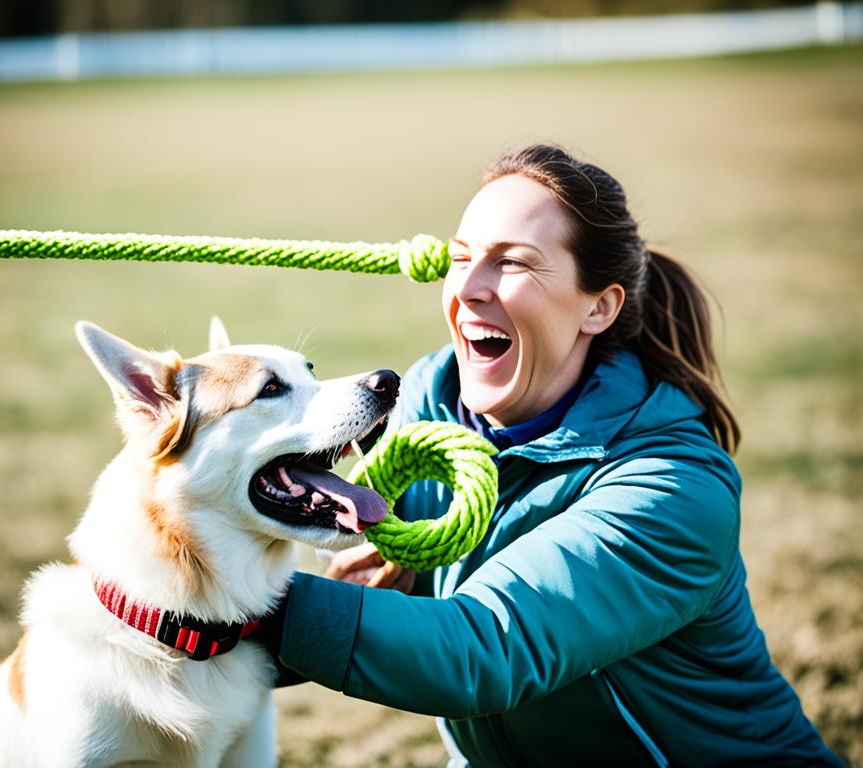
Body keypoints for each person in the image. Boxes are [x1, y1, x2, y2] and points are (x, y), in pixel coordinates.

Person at [257, 145, 843, 766]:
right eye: (461, 258)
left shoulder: (672, 488)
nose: (470, 288)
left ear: (600, 306)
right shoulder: (426, 405)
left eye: (512, 264)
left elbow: (481, 652)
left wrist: (242, 612)